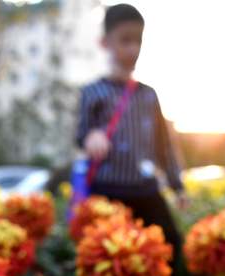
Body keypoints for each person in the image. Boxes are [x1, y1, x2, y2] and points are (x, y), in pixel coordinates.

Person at [76, 3, 187, 258]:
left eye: (138, 41)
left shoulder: (149, 94)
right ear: (105, 43)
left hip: (146, 189)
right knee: (107, 257)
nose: (133, 49)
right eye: (125, 40)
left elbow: (164, 145)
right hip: (108, 192)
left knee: (172, 248)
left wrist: (177, 185)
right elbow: (82, 131)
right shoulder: (92, 92)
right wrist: (91, 135)